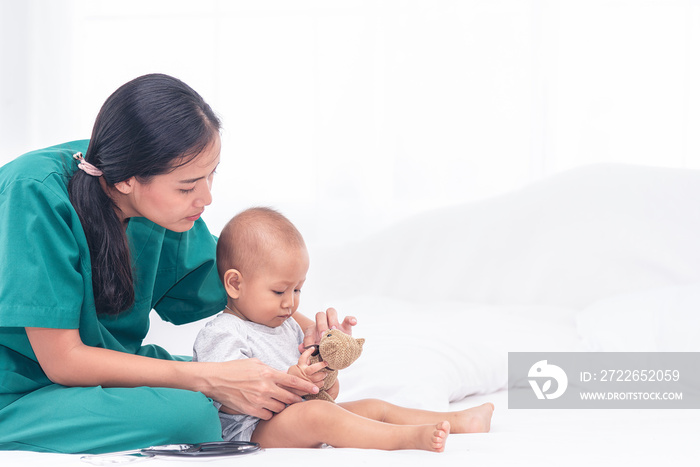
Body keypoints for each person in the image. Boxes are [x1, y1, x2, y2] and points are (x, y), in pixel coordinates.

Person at [0, 74, 351, 454]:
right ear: (127, 180)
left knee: (265, 379)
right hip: (22, 390)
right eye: (187, 186)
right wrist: (209, 379)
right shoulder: (34, 193)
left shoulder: (165, 210)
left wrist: (310, 336)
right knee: (196, 414)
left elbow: (236, 284)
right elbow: (63, 361)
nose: (206, 198)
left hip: (105, 370)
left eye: (211, 174)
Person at [193, 207, 495, 453]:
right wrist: (294, 382)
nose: (290, 303)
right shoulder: (223, 333)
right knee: (320, 416)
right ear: (235, 283)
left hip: (298, 414)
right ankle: (406, 440)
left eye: (298, 289)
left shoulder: (286, 327)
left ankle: (460, 420)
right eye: (279, 291)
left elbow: (324, 394)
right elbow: (227, 395)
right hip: (248, 430)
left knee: (372, 406)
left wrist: (326, 376)